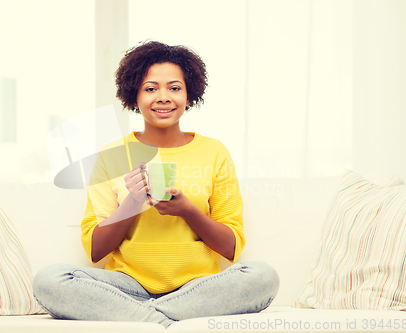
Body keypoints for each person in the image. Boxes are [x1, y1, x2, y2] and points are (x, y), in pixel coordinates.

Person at [33, 40, 279, 328]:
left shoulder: (215, 152)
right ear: (134, 97)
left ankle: (143, 320)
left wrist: (188, 211)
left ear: (189, 96)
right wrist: (132, 203)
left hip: (196, 287)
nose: (163, 97)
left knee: (263, 276)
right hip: (127, 288)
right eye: (151, 88)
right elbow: (96, 251)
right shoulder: (112, 155)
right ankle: (167, 319)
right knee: (49, 280)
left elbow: (231, 247)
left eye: (174, 88)